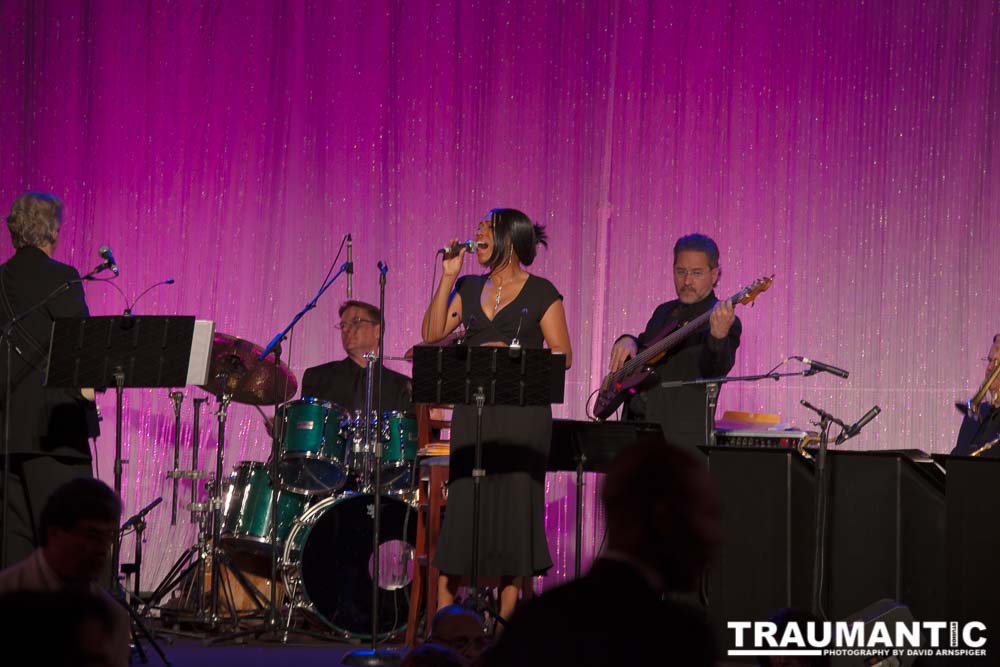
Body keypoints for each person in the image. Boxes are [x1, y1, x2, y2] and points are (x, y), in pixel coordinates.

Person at [422, 208, 572, 626]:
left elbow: (564, 356)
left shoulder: (542, 292)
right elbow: (432, 333)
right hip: (475, 414)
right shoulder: (469, 287)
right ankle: (445, 624)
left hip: (522, 418)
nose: (476, 234)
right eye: (478, 228)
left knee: (512, 512)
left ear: (509, 237)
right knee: (464, 508)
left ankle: (505, 628)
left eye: (485, 228)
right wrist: (448, 275)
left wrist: (512, 355)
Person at [480, 438, 720, 667]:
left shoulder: (534, 621)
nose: (715, 537)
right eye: (707, 515)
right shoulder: (680, 639)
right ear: (662, 516)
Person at [0, 192, 98, 566]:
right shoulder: (64, 278)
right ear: (53, 231)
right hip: (53, 433)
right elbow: (82, 353)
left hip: (6, 437)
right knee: (70, 547)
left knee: (14, 554)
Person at [607, 233, 740, 451]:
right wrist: (627, 340)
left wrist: (718, 337)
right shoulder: (663, 311)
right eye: (681, 272)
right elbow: (644, 348)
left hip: (678, 445)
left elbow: (714, 370)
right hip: (636, 434)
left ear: (714, 274)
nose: (687, 281)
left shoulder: (723, 320)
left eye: (696, 273)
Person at [0, 477, 130, 666]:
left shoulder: (115, 617)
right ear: (55, 535)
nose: (102, 549)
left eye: (108, 537)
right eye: (92, 536)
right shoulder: (5, 594)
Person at [299, 299, 412, 414]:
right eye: (343, 325)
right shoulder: (318, 377)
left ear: (377, 331)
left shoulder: (402, 387)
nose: (346, 330)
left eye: (356, 322)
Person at [951, 333, 1000, 457]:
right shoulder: (977, 413)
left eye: (997, 363)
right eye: (990, 361)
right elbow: (958, 457)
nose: (989, 368)